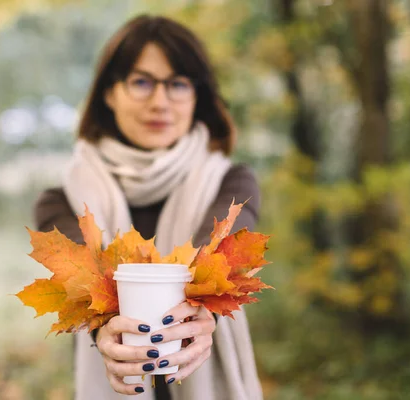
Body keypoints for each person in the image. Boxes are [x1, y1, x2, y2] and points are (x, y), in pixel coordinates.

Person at [34, 14, 264, 400]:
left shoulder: (232, 183)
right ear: (110, 92)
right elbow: (85, 277)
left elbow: (217, 258)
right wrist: (105, 330)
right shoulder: (63, 200)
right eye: (141, 82)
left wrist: (200, 319)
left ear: (197, 97)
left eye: (177, 84)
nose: (160, 101)